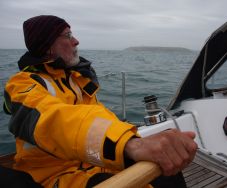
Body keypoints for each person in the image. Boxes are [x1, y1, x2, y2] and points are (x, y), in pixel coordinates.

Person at [3, 15, 197, 188]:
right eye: (68, 35)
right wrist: (131, 145)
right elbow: (54, 119)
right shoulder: (21, 85)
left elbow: (96, 118)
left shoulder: (76, 80)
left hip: (95, 162)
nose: (76, 41)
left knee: (167, 173)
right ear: (47, 46)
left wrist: (133, 137)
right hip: (56, 174)